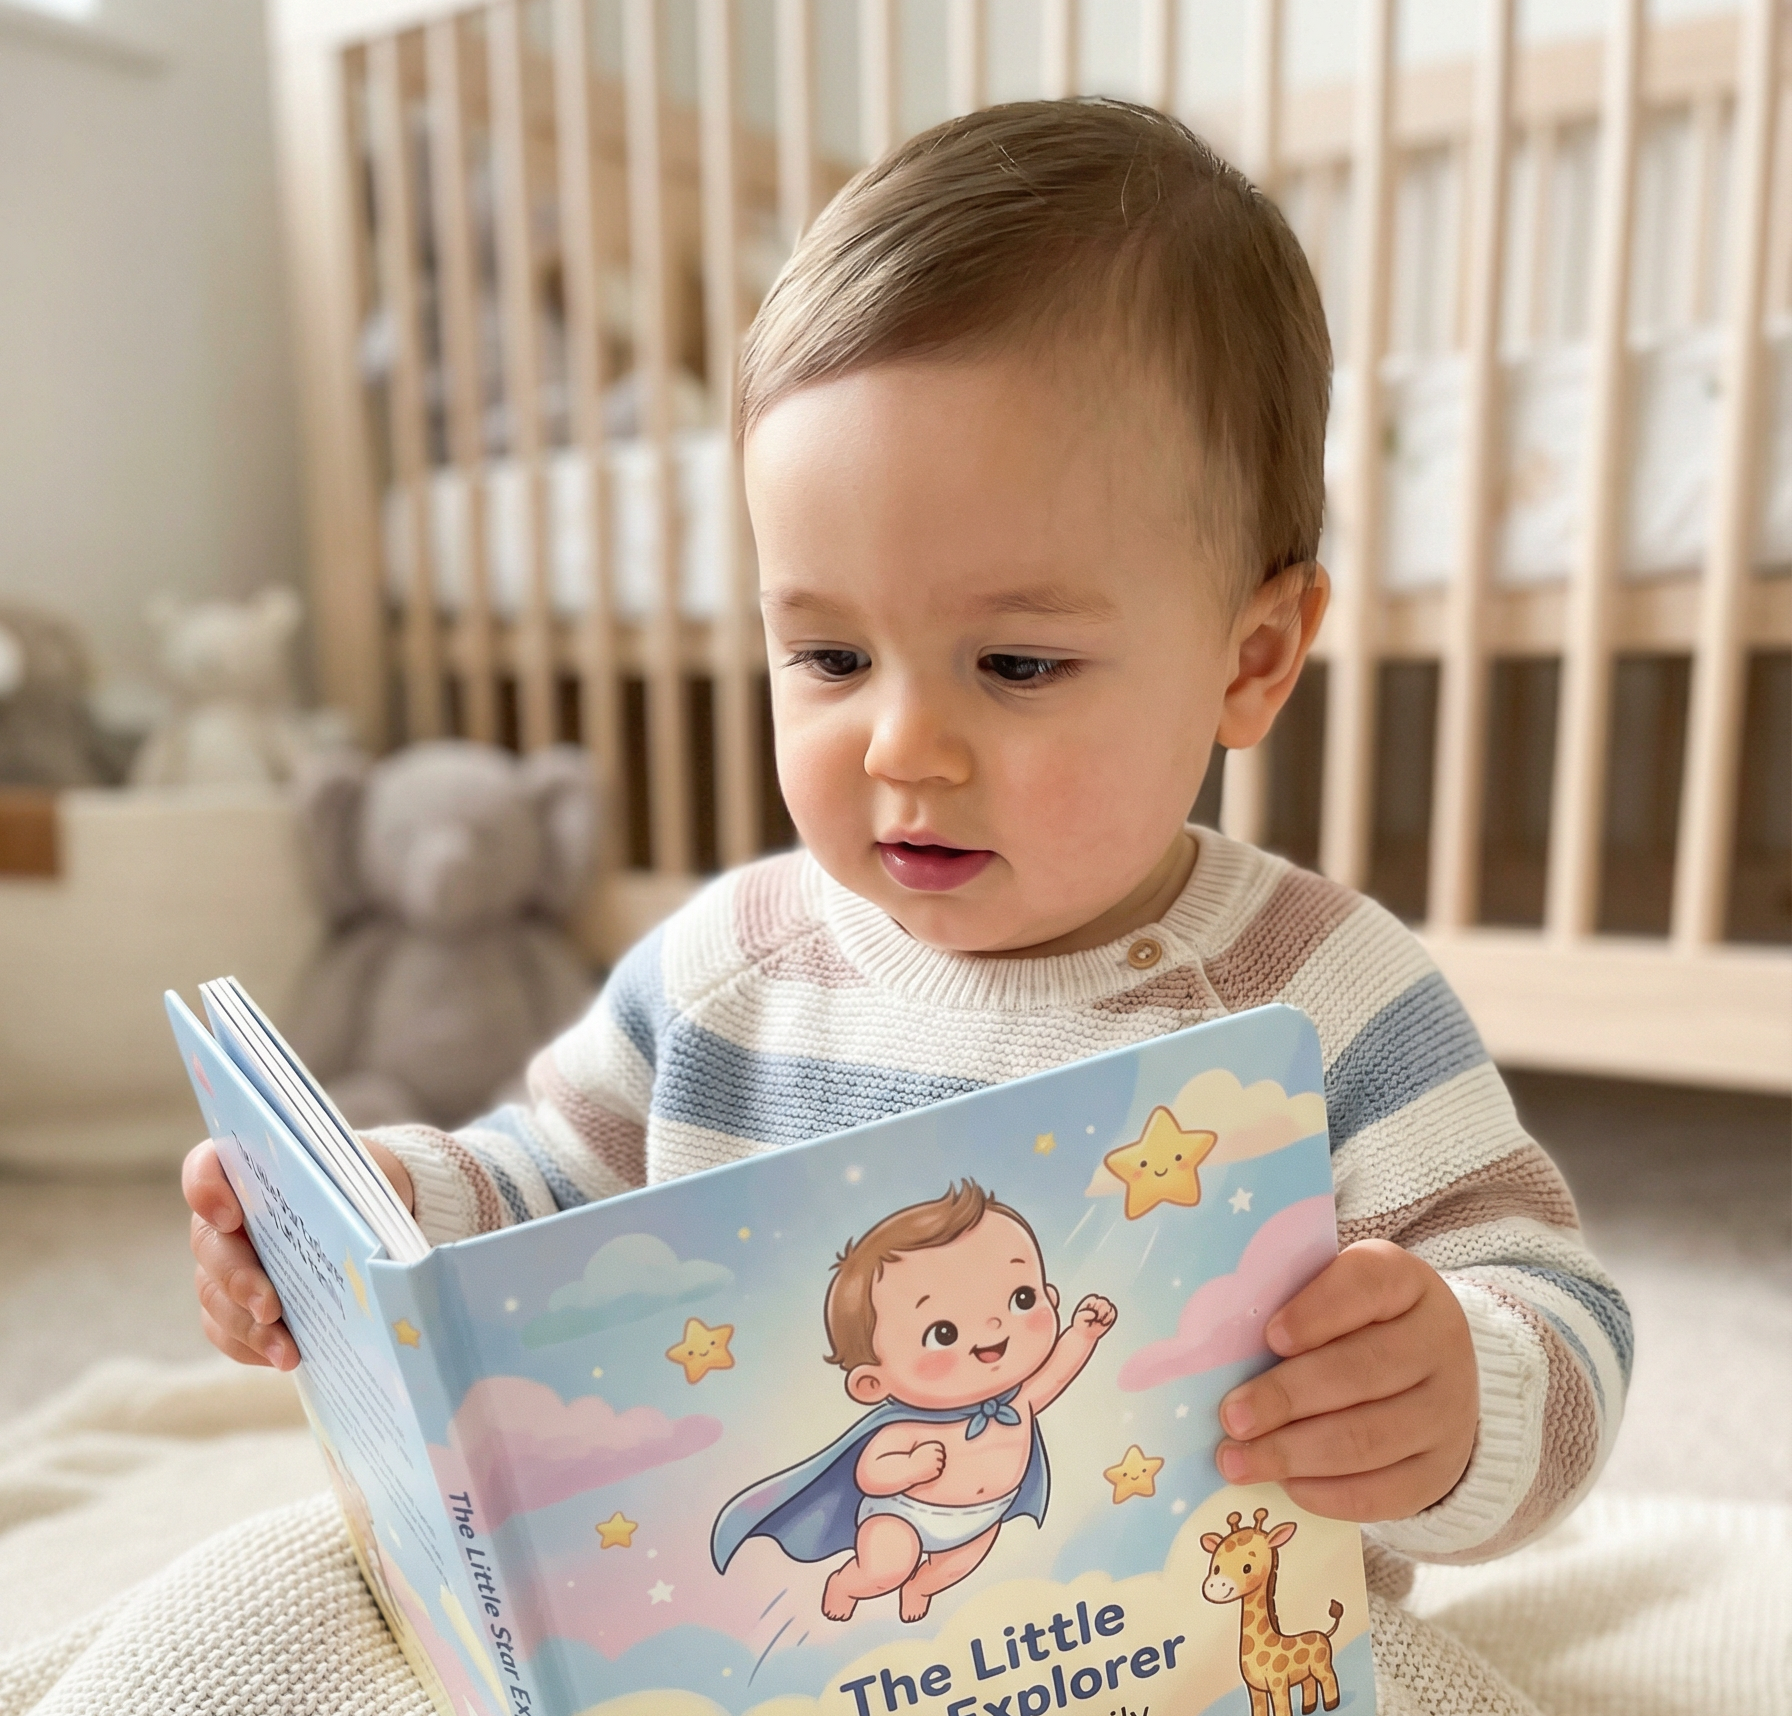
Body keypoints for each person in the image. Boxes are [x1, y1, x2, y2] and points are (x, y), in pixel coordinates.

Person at [184, 98, 1629, 1565]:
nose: (902, 747)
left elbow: (1553, 1307)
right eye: (828, 658)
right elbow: (541, 1186)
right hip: (821, 1696)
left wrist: (1457, 1389)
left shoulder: (1324, 993)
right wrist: (363, 1208)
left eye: (1016, 666)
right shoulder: (726, 972)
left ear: (1252, 659)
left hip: (1224, 1701)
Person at [709, 1179, 1117, 1623]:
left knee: (954, 1567)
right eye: (943, 1333)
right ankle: (848, 1583)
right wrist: (912, 1468)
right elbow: (870, 1473)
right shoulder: (905, 1429)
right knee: (887, 1568)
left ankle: (922, 1588)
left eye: (1022, 1299)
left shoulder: (1015, 1405)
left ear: (1050, 1297)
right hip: (902, 1515)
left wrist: (1081, 1334)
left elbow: (1055, 1375)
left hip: (984, 1516)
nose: (995, 1325)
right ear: (871, 1383)